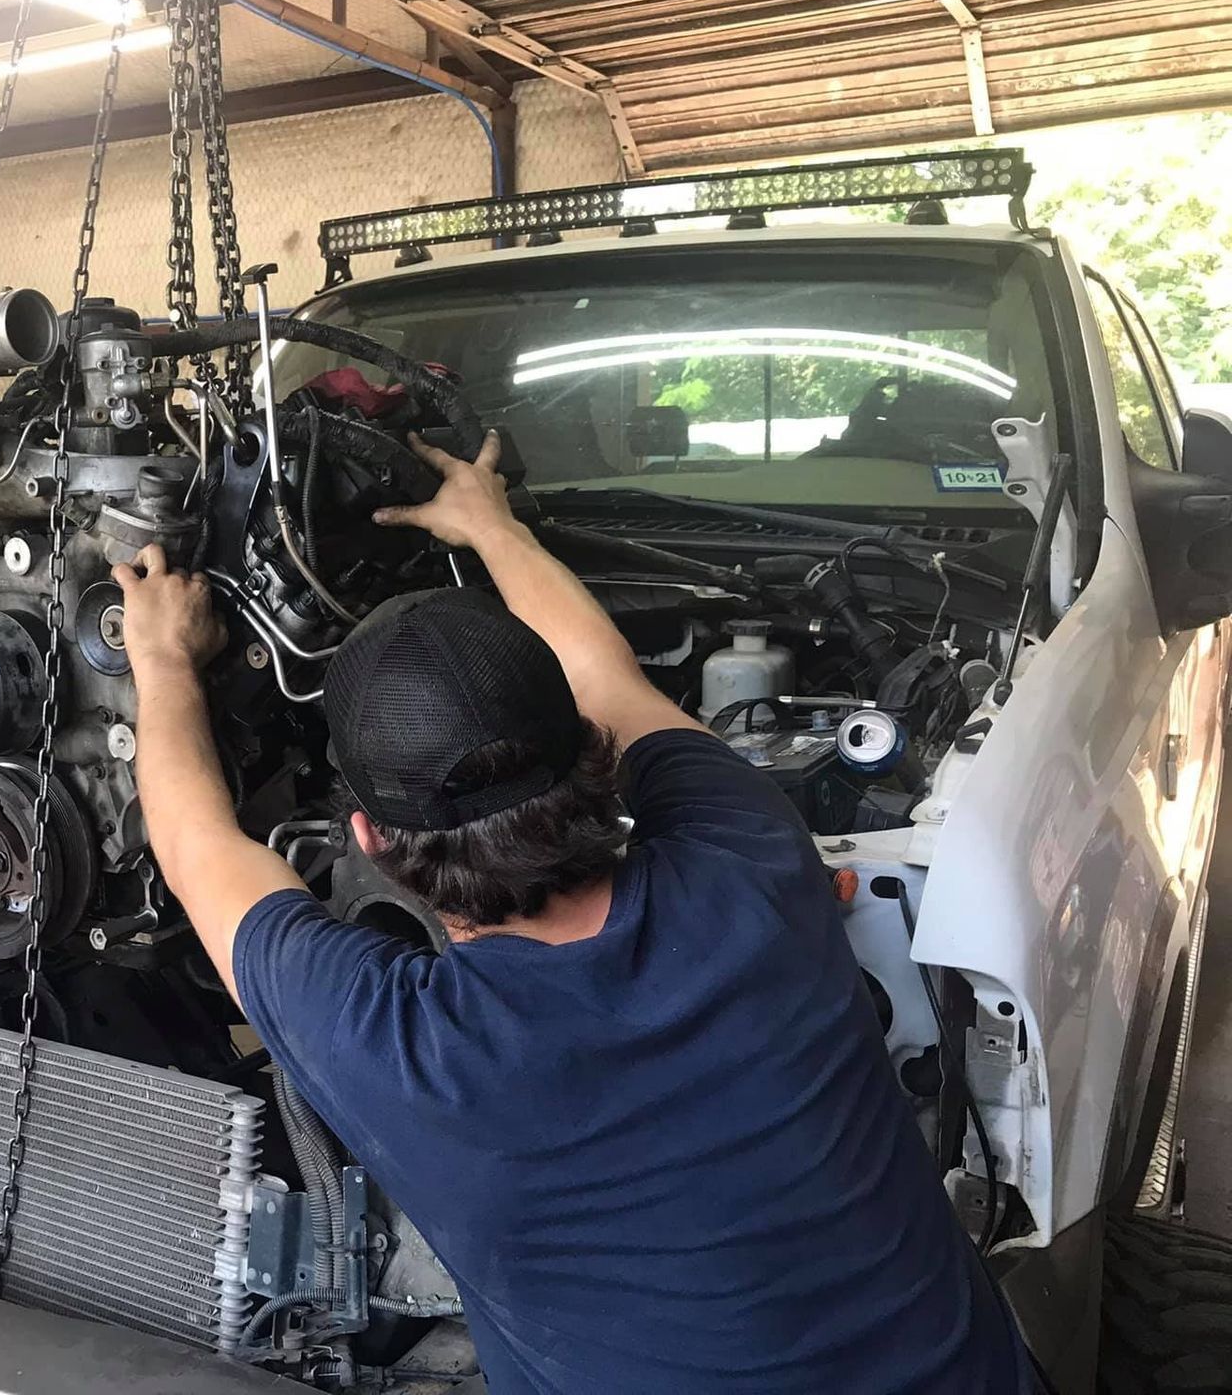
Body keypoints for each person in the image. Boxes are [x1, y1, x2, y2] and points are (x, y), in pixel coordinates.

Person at [109, 433, 1037, 1394]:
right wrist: (492, 526)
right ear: (591, 752)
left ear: (369, 842)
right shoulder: (749, 858)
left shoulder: (400, 1047)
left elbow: (192, 845)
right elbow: (608, 681)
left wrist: (162, 659)